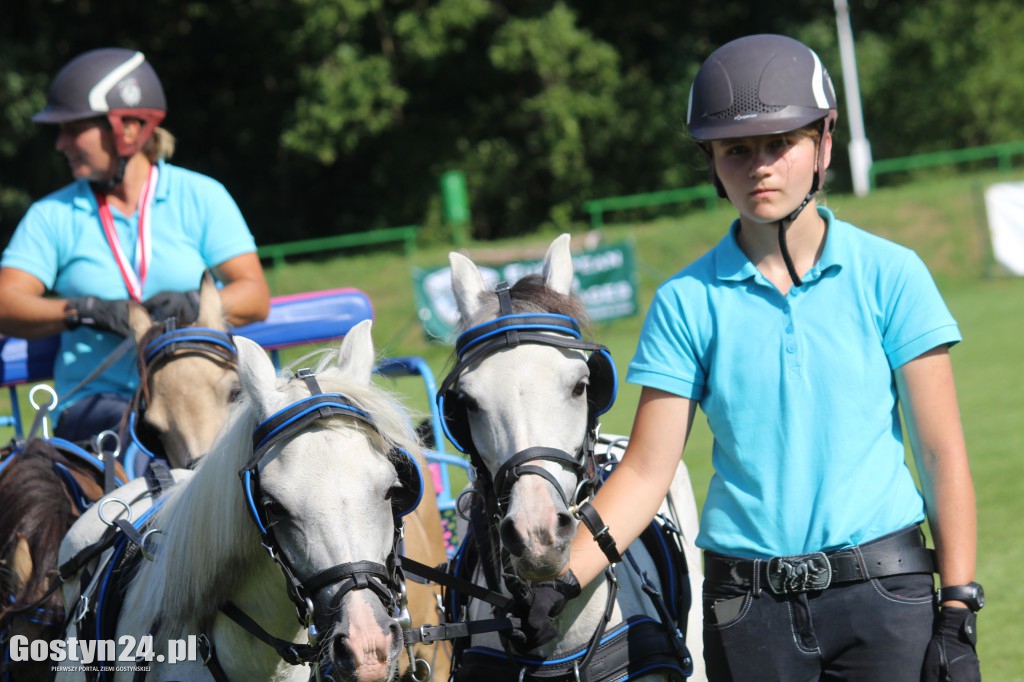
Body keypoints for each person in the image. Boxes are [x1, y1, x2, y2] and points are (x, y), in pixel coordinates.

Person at [526, 34, 980, 681]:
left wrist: (959, 602)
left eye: (779, 144)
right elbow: (647, 472)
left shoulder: (892, 275)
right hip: (749, 611)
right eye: (737, 150)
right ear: (712, 161)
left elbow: (941, 453)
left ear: (823, 142)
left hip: (886, 597)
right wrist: (560, 579)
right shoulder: (685, 302)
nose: (760, 166)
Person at [0, 47, 270, 443]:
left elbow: (255, 294)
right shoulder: (51, 215)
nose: (61, 143)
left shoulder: (201, 195)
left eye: (73, 128)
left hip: (199, 392)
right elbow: (6, 302)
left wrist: (196, 304)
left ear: (127, 127)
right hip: (97, 407)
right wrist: (79, 310)